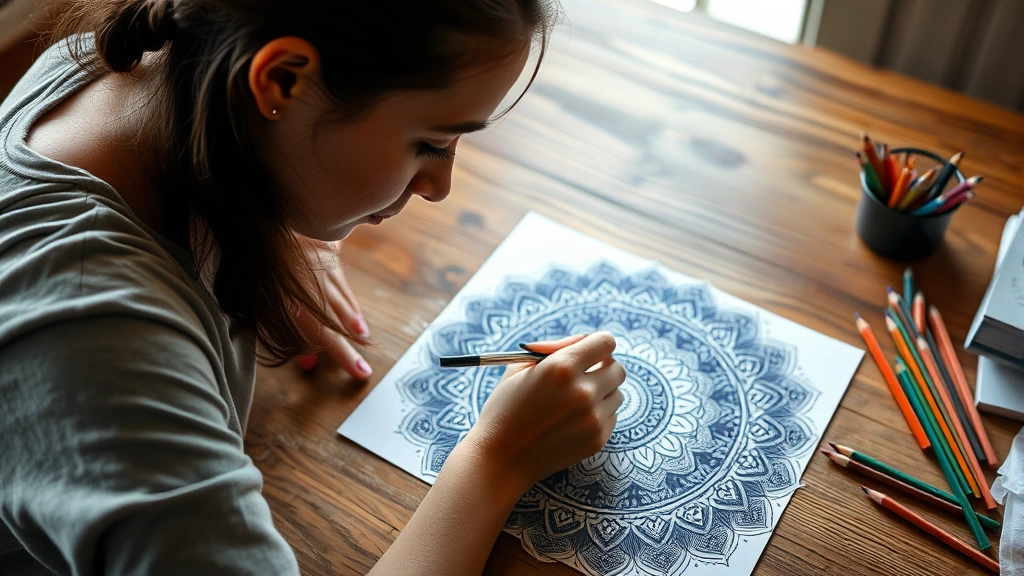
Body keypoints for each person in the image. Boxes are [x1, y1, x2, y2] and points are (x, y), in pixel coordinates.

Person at [0, 1, 627, 574]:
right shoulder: (98, 347)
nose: (439, 185)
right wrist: (495, 462)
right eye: (430, 143)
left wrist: (256, 223)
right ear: (280, 82)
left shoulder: (121, 68)